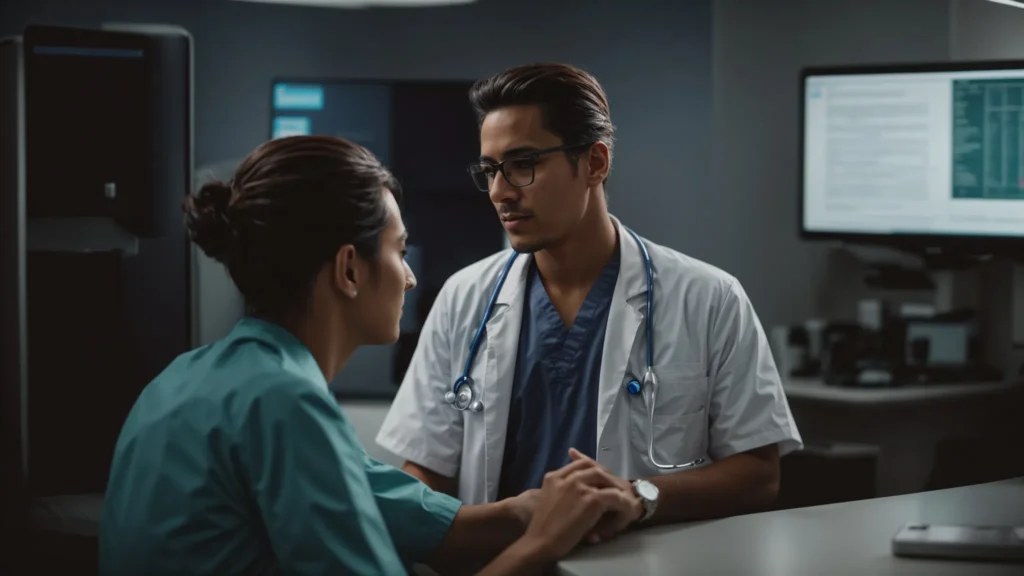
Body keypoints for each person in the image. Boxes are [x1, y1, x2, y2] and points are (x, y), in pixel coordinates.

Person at [98, 135, 641, 576]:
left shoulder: (183, 379)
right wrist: (540, 545)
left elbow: (404, 513)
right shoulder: (285, 402)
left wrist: (532, 509)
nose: (409, 277)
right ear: (349, 270)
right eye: (400, 250)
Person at [376, 63, 804, 531]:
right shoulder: (465, 298)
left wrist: (638, 496)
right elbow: (425, 466)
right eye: (490, 170)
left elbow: (759, 474)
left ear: (595, 163)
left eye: (523, 165)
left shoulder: (709, 298)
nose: (500, 192)